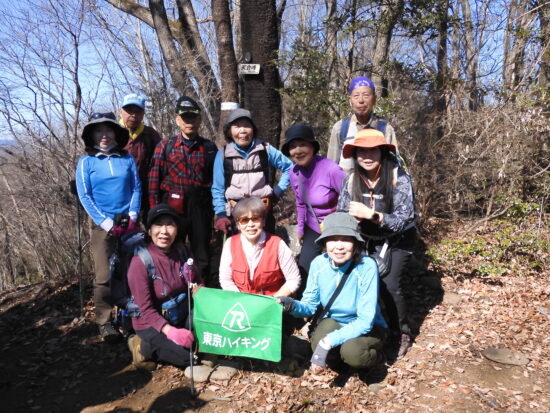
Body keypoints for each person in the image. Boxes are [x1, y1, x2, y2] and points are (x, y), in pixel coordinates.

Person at [337, 128, 416, 358]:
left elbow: (404, 219)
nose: (367, 156)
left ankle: (401, 333)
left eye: (373, 151)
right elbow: (341, 212)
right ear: (355, 154)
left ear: (382, 152)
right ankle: (363, 326)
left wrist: (372, 215)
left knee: (389, 285)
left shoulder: (398, 178)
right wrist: (349, 222)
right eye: (362, 151)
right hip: (365, 239)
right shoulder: (351, 180)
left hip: (397, 240)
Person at [277, 212, 388, 372]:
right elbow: (310, 306)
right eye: (333, 239)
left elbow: (365, 320)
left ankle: (375, 360)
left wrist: (328, 341)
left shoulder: (366, 266)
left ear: (355, 243)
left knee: (353, 352)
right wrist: (292, 306)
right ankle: (342, 361)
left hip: (368, 325)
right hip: (335, 320)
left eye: (346, 239)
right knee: (317, 342)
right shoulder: (318, 264)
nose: (339, 246)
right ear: (325, 243)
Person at [75, 112, 141, 342]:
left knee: (133, 271)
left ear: (116, 133)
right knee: (104, 276)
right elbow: (85, 195)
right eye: (99, 131)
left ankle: (131, 315)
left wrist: (132, 215)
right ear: (92, 135)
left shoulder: (127, 158)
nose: (104, 135)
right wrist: (106, 222)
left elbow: (136, 188)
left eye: (108, 130)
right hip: (101, 225)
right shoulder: (86, 162)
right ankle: (104, 321)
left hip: (129, 222)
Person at [148, 96, 217, 280]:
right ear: (177, 120)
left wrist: (217, 211)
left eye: (193, 117)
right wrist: (155, 213)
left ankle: (201, 290)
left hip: (200, 208)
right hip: (172, 207)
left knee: (202, 253)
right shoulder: (165, 146)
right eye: (185, 118)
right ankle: (172, 287)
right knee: (171, 250)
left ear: (199, 119)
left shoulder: (209, 148)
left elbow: (216, 182)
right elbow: (154, 180)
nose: (189, 122)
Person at [127, 204, 201, 370]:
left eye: (170, 225)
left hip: (179, 311)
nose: (164, 231)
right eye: (158, 225)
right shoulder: (140, 263)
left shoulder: (183, 251)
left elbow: (197, 280)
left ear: (177, 229)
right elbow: (146, 310)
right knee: (189, 359)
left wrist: (198, 290)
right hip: (150, 323)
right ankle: (142, 347)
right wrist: (170, 332)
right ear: (149, 230)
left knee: (200, 344)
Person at [211, 108, 293, 235]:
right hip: (236, 216)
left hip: (263, 214)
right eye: (237, 126)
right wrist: (221, 214)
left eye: (246, 125)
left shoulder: (265, 149)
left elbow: (289, 167)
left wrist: (278, 191)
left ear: (253, 129)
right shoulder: (223, 155)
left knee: (265, 246)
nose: (242, 131)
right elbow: (218, 188)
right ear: (230, 131)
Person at [281, 124, 346, 278]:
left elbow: (350, 199)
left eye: (302, 144)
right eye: (293, 146)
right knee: (304, 268)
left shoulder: (331, 170)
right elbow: (300, 203)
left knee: (340, 270)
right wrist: (301, 230)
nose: (298, 151)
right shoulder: (294, 172)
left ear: (312, 147)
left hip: (338, 226)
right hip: (314, 226)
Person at [219, 197, 300, 297]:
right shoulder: (230, 244)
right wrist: (240, 299)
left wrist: (273, 302)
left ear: (264, 221)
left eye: (255, 219)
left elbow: (293, 280)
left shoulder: (278, 244)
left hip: (271, 302)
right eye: (244, 220)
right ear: (238, 225)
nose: (250, 224)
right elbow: (226, 279)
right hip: (240, 301)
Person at [326, 76, 398, 173]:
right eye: (356, 96)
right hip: (346, 182)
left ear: (374, 99)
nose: (361, 100)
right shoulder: (340, 128)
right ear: (350, 100)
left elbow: (395, 167)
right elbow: (331, 168)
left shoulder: (385, 129)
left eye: (366, 95)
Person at [119, 93, 161, 223]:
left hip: (145, 192)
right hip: (119, 192)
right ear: (121, 112)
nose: (133, 115)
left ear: (143, 114)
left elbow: (160, 162)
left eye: (138, 111)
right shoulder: (112, 133)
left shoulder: (151, 135)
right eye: (129, 111)